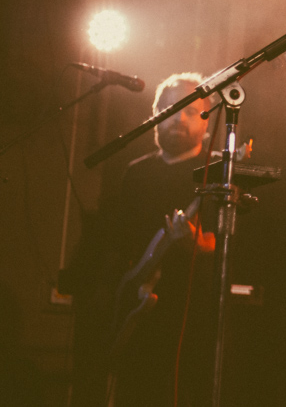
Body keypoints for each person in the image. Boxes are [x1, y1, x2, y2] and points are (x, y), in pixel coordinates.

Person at [67, 73, 217, 406]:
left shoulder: (216, 173)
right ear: (155, 116)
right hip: (134, 312)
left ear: (207, 123)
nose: (178, 117)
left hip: (186, 322)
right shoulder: (136, 172)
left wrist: (195, 243)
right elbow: (114, 240)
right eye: (170, 108)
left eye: (191, 111)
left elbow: (219, 245)